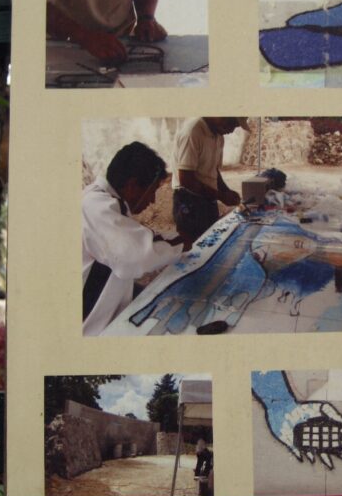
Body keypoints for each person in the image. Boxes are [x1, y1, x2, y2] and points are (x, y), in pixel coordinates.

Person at [83, 142, 188, 336]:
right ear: (132, 186)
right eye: (152, 191)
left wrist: (176, 240)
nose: (152, 200)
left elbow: (137, 235)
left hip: (115, 303)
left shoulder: (108, 200)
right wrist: (181, 247)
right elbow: (137, 257)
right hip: (93, 328)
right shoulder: (95, 206)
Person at [47, 0, 167, 65]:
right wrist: (83, 36)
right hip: (64, 44)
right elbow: (40, 6)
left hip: (122, 40)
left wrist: (146, 16)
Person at [172, 117, 249, 244]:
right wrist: (221, 196)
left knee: (211, 242)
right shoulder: (193, 132)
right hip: (189, 200)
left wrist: (226, 191)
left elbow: (213, 170)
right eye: (232, 123)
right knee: (192, 247)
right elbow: (186, 179)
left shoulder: (219, 137)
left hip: (208, 197)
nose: (231, 130)